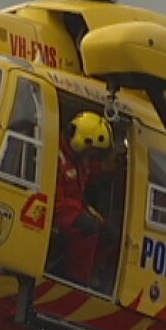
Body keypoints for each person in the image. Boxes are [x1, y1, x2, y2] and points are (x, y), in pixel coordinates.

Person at [53, 111, 121, 290]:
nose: (92, 156)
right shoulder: (55, 156)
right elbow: (55, 199)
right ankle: (77, 280)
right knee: (88, 225)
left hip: (73, 209)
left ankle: (92, 271)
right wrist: (83, 209)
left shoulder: (78, 161)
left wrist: (112, 164)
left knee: (111, 234)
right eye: (92, 152)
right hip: (57, 211)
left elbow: (92, 171)